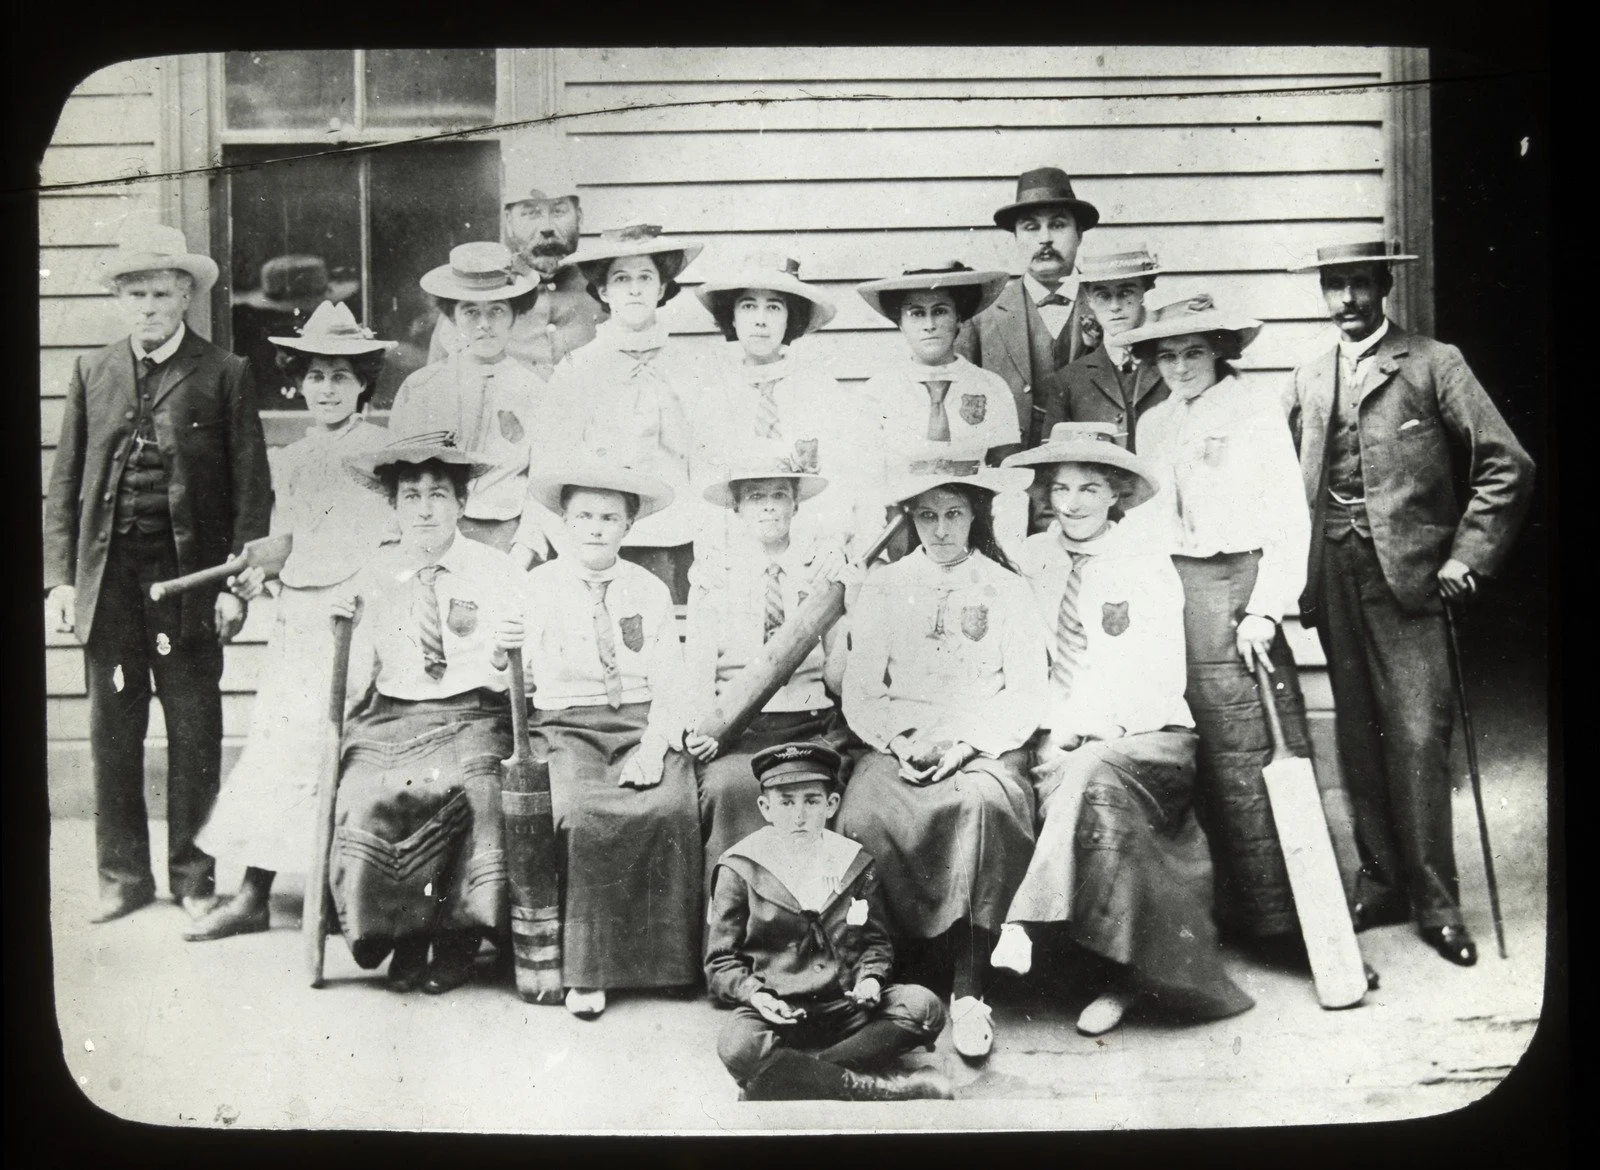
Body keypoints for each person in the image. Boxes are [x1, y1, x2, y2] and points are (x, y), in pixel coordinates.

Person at [1284, 239, 1535, 966]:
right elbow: (1278, 479)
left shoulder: (1433, 361)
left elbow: (1506, 462)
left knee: (1420, 736)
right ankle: (1381, 880)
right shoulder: (1305, 376)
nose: (1348, 301)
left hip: (1413, 578)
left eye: (1361, 285)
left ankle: (1436, 902)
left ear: (1383, 287)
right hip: (1330, 567)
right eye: (1335, 286)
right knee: (1358, 732)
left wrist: (1468, 554)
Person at [989, 423, 1254, 1036]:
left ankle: (1060, 944)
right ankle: (1046, 968)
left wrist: (1083, 728)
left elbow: (1154, 677)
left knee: (1091, 772)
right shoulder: (1034, 559)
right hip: (1050, 730)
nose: (1073, 503)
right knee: (1024, 778)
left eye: (1089, 488)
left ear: (1116, 496)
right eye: (1059, 489)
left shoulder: (1142, 565)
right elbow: (1019, 659)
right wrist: (1049, 727)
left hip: (1144, 733)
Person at [44, 218, 272, 925]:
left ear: (184, 296)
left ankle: (193, 875)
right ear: (122, 299)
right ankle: (122, 876)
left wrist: (238, 583)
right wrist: (61, 579)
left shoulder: (224, 373)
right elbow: (64, 482)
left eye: (160, 292)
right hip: (108, 580)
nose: (147, 306)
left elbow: (250, 488)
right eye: (135, 293)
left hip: (190, 585)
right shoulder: (93, 371)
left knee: (195, 727)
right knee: (113, 725)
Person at [185, 302, 397, 942]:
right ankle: (253, 892)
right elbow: (285, 540)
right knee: (276, 747)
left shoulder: (383, 457)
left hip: (356, 621)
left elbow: (386, 547)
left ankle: (335, 895)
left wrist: (360, 597)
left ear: (363, 382)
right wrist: (259, 573)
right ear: (297, 382)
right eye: (315, 376)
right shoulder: (293, 456)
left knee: (331, 747)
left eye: (340, 376)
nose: (326, 389)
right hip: (299, 620)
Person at [835, 446, 1044, 1062]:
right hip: (899, 736)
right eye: (927, 516)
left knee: (983, 807)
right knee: (863, 818)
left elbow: (1027, 689)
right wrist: (899, 740)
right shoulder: (886, 586)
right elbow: (863, 687)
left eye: (954, 513)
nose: (942, 529)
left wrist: (965, 745)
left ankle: (970, 988)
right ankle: (874, 976)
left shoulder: (1006, 588)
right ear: (910, 520)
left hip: (981, 739)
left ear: (976, 515)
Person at [1123, 294, 1310, 949]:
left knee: (1250, 754)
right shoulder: (1153, 422)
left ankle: (1282, 922)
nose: (1179, 367)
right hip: (1176, 596)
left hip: (1237, 592)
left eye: (1193, 352)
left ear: (1219, 350)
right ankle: (1219, 920)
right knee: (1194, 755)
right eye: (1167, 355)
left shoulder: (1253, 410)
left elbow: (1289, 518)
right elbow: (1149, 524)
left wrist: (1266, 608)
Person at [327, 432, 526, 995]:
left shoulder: (496, 569)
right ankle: (405, 937)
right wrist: (341, 623)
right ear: (393, 505)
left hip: (473, 712)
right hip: (393, 716)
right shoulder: (372, 573)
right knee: (368, 793)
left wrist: (505, 651)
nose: (424, 509)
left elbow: (511, 666)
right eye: (410, 496)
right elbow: (356, 673)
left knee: (475, 790)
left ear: (462, 503)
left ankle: (459, 938)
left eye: (438, 494)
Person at [520, 457, 709, 1017]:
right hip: (566, 725)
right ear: (563, 522)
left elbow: (670, 681)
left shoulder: (647, 588)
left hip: (639, 721)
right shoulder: (538, 587)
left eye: (609, 517)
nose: (596, 528)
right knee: (582, 812)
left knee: (671, 804)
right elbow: (513, 668)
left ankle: (669, 964)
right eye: (583, 516)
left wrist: (654, 749)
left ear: (629, 527)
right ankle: (590, 971)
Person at [705, 742, 952, 1102]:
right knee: (736, 1045)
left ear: (831, 804)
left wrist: (870, 979)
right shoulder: (740, 866)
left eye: (812, 801)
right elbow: (721, 962)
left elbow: (875, 941)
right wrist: (755, 996)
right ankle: (879, 1087)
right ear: (765, 808)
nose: (799, 816)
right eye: (786, 802)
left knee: (924, 1008)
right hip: (779, 1010)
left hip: (846, 1008)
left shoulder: (853, 861)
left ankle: (787, 1078)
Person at [685, 452, 863, 895]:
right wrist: (699, 727)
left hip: (809, 727)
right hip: (740, 734)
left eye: (779, 495)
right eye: (755, 497)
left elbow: (838, 681)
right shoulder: (712, 574)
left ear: (796, 504)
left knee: (818, 791)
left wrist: (851, 609)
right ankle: (733, 932)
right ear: (737, 507)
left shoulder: (822, 571)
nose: (768, 507)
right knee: (729, 788)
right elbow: (698, 671)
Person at [547, 225, 707, 599]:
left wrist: (708, 543)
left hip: (676, 538)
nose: (634, 289)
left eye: (645, 277)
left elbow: (705, 461)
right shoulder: (577, 369)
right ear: (603, 290)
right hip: (597, 543)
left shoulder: (692, 367)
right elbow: (553, 462)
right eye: (621, 279)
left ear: (662, 288)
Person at [690, 251, 876, 555]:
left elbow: (845, 478)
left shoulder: (820, 390)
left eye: (774, 307)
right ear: (732, 317)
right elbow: (704, 488)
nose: (761, 320)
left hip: (810, 550)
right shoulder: (711, 394)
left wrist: (832, 545)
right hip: (734, 554)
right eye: (748, 306)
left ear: (791, 317)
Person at [388, 242, 559, 561]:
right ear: (451, 317)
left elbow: (543, 480)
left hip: (507, 537)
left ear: (514, 315)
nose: (484, 324)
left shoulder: (535, 390)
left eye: (496, 310)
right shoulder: (423, 388)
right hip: (432, 537)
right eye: (470, 312)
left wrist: (524, 548)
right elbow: (398, 477)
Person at [856, 262, 1027, 555]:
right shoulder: (878, 391)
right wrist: (872, 553)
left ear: (959, 317)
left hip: (975, 525)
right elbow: (868, 484)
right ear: (900, 321)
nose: (929, 324)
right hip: (903, 528)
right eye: (916, 313)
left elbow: (1007, 477)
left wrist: (1007, 549)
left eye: (940, 310)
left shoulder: (990, 386)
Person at [955, 167, 1103, 451]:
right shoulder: (982, 317)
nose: (1045, 239)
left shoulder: (1110, 307)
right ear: (1016, 238)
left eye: (1058, 225)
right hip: (1010, 475)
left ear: (1079, 234)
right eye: (1031, 227)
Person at [427, 158, 601, 379]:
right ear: (509, 222)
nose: (547, 228)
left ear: (580, 217)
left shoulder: (609, 293)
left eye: (558, 211)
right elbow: (435, 389)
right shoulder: (471, 298)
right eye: (531, 213)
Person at [1057, 245, 1169, 451]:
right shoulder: (1068, 380)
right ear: (1088, 299)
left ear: (1146, 291)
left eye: (1126, 292)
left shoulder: (1173, 366)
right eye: (1103, 295)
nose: (1115, 306)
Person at [231, 254, 360, 402]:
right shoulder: (256, 349)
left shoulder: (339, 341)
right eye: (286, 317)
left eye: (304, 314)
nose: (297, 320)